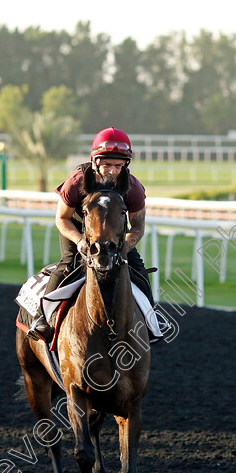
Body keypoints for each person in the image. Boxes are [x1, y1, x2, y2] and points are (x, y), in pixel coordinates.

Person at [28, 127, 153, 341]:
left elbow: (138, 226)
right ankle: (42, 320)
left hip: (115, 235)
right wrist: (79, 241)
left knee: (138, 271)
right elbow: (62, 218)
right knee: (67, 265)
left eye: (118, 165)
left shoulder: (132, 188)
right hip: (78, 228)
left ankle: (152, 318)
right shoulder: (76, 182)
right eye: (107, 165)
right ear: (95, 161)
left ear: (126, 165)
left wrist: (124, 246)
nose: (112, 171)